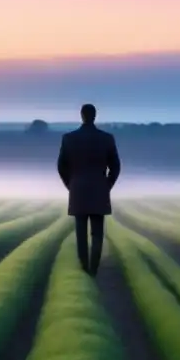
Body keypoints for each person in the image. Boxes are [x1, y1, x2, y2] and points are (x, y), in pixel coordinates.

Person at [56, 103, 121, 276]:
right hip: (99, 189)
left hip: (78, 190)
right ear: (94, 116)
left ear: (81, 115)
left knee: (81, 232)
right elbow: (115, 166)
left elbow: (61, 166)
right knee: (97, 232)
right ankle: (94, 267)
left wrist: (70, 184)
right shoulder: (107, 138)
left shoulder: (69, 138)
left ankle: (84, 266)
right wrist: (107, 185)